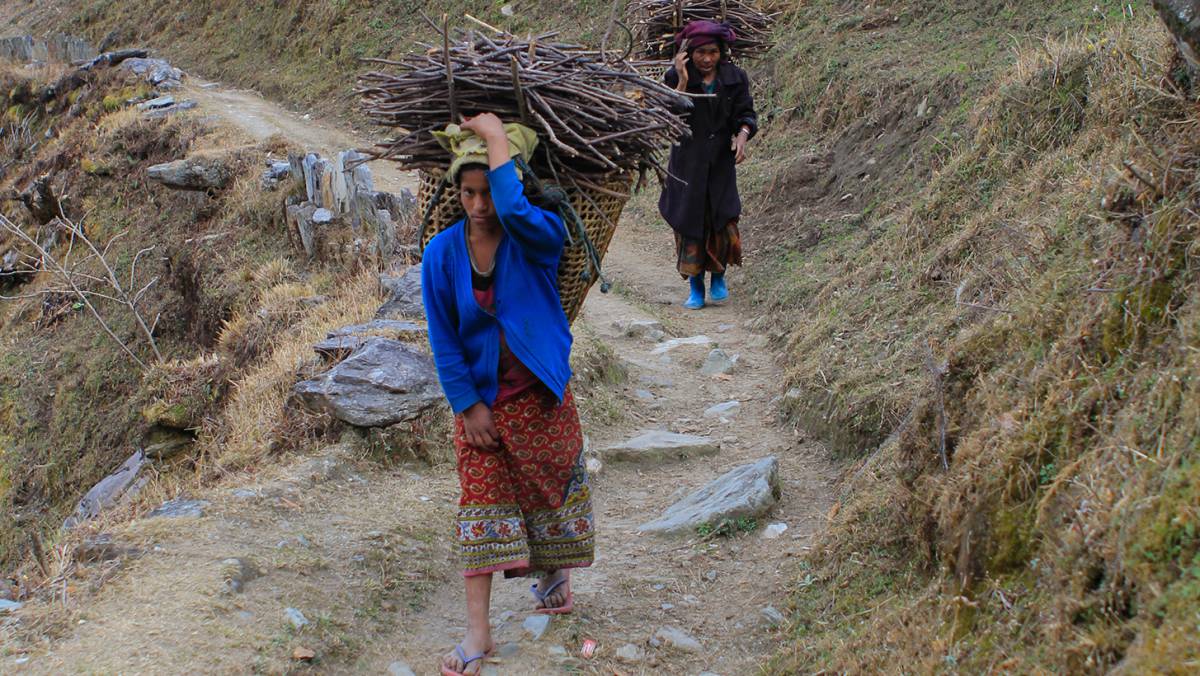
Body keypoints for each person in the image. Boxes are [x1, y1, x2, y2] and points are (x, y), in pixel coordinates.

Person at [421, 113, 595, 676]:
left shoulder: (536, 236)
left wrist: (497, 138)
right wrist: (467, 405)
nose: (479, 205)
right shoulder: (441, 256)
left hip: (540, 395)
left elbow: (516, 211)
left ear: (508, 182)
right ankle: (478, 635)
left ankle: (552, 572)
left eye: (487, 191)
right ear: (457, 193)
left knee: (547, 488)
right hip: (483, 406)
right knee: (480, 510)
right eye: (467, 193)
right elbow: (444, 339)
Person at [659, 20, 758, 310]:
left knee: (723, 218)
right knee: (691, 222)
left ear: (721, 52)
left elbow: (746, 114)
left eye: (712, 52)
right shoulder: (677, 76)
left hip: (720, 164)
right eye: (700, 52)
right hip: (687, 164)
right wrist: (679, 79)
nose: (706, 58)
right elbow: (668, 117)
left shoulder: (734, 78)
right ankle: (695, 287)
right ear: (688, 53)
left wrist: (742, 136)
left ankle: (719, 276)